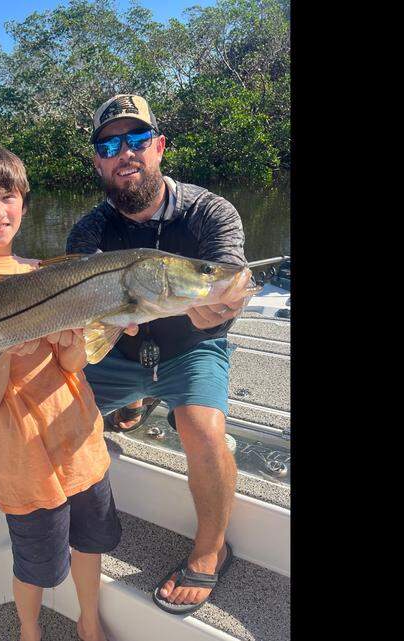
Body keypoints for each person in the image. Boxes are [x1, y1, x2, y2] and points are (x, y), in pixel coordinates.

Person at [0, 142, 120, 641]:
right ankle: (29, 632)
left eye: (8, 197)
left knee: (90, 543)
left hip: (78, 438)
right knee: (35, 564)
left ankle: (89, 619)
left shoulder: (46, 273)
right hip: (20, 455)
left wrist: (80, 339)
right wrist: (10, 345)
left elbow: (73, 365)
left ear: (24, 203)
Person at [66, 94, 253, 615]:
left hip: (190, 349)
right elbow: (91, 321)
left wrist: (219, 308)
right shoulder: (89, 229)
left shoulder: (209, 211)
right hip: (117, 352)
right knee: (41, 421)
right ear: (99, 160)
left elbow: (228, 283)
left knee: (202, 429)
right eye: (110, 144)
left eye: (137, 140)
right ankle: (131, 401)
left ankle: (211, 550)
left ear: (159, 147)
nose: (125, 153)